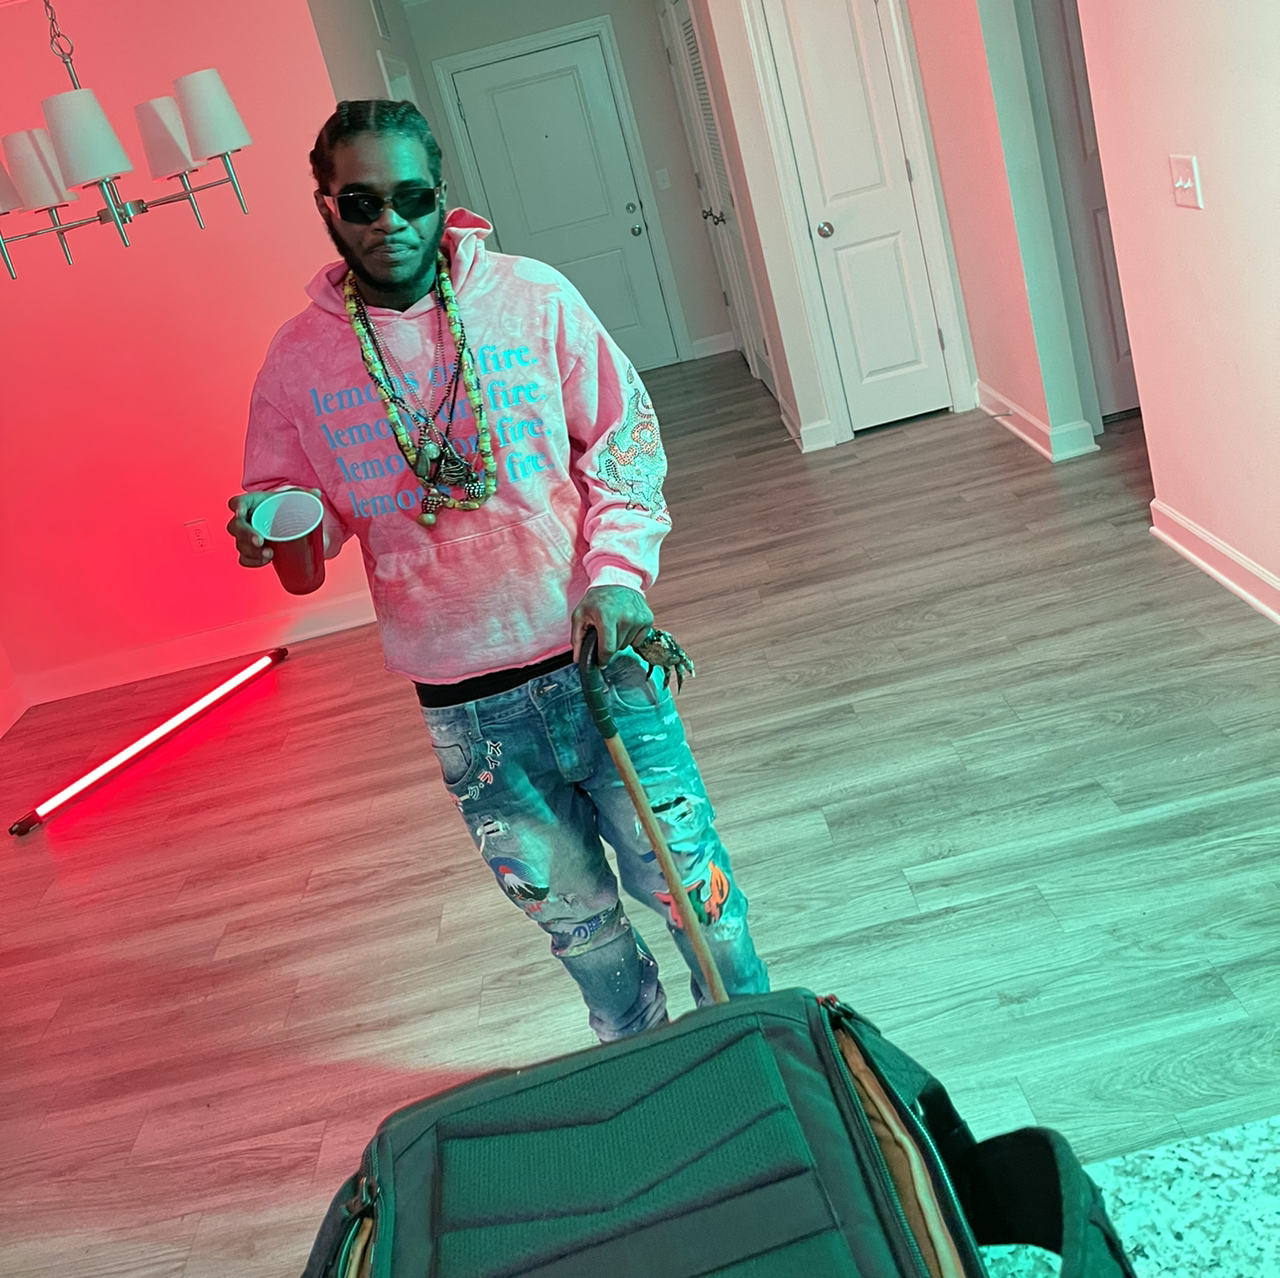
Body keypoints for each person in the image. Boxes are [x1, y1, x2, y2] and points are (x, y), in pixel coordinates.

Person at [225, 100, 769, 1042]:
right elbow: (301, 535)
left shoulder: (531, 297)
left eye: (412, 197)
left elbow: (625, 444)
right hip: (467, 710)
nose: (390, 222)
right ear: (326, 206)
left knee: (700, 900)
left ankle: (761, 1059)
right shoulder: (297, 361)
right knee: (584, 938)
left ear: (443, 197)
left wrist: (618, 573)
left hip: (598, 663)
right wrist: (270, 527)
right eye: (362, 203)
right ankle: (645, 1086)